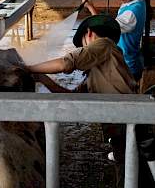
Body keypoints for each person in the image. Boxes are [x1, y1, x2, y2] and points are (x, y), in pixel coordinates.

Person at [29, 14, 137, 187]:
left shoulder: (104, 44)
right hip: (121, 122)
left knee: (130, 170)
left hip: (127, 120)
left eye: (84, 47)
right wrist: (42, 78)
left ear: (89, 33)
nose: (86, 52)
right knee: (126, 165)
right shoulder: (99, 71)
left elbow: (66, 64)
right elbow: (70, 96)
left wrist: (27, 68)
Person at [82, 0, 146, 81]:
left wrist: (91, 7)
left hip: (127, 66)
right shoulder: (133, 1)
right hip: (123, 59)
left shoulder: (132, 13)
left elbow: (106, 27)